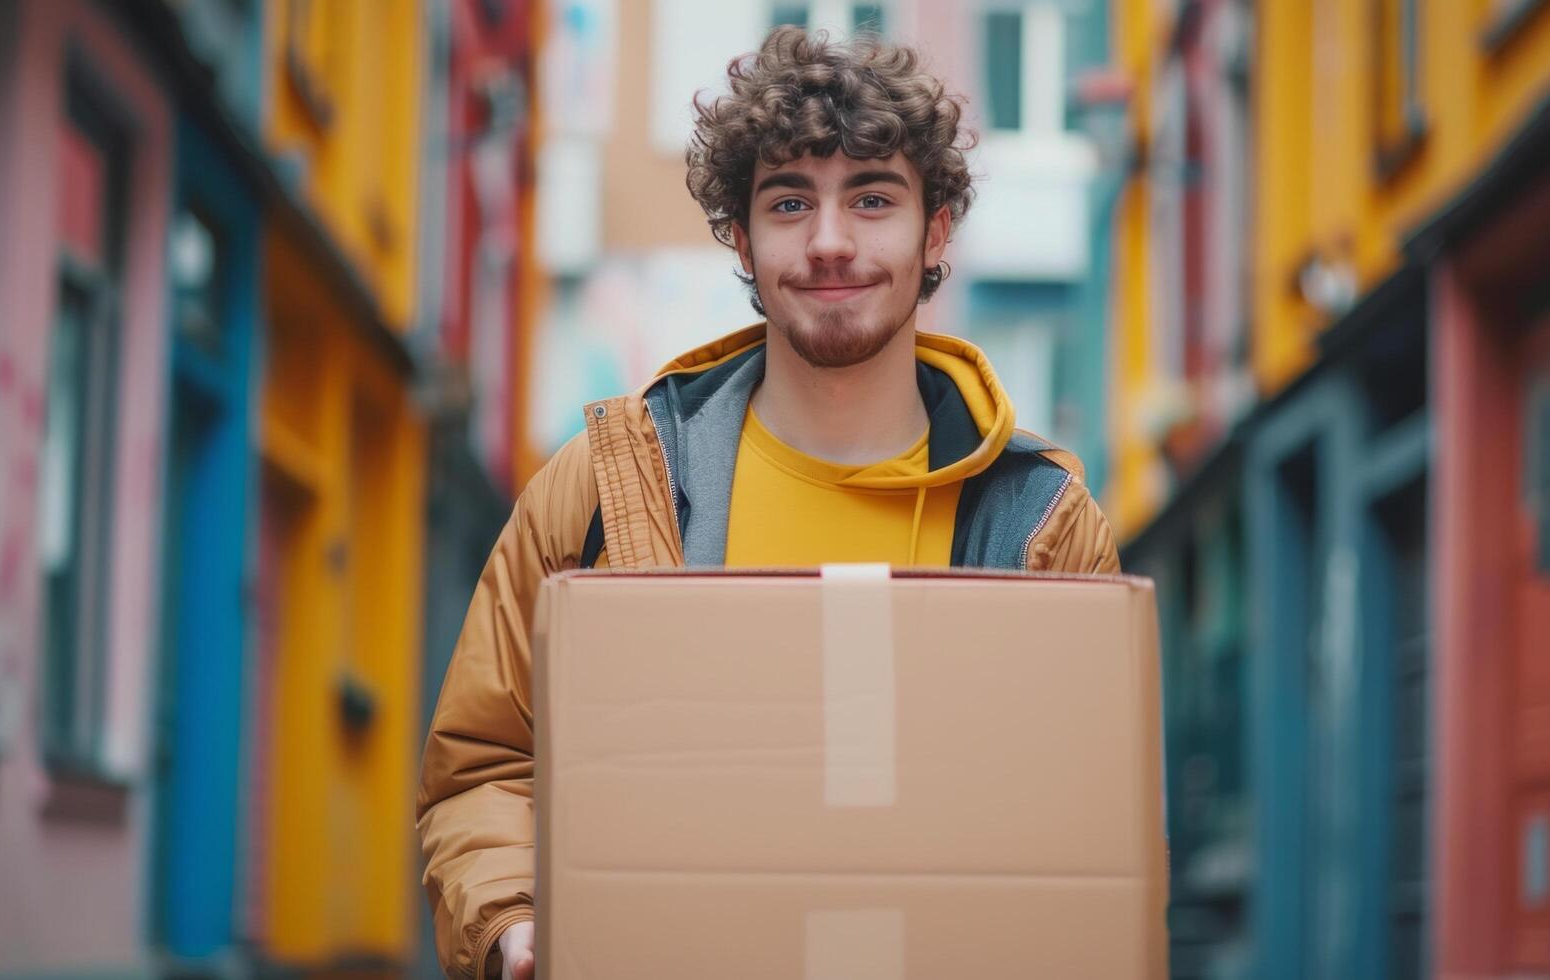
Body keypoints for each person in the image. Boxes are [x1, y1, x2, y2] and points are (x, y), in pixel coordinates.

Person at [417, 25, 1120, 979]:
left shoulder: (1041, 526)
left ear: (937, 229)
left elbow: (1089, 822)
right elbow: (484, 766)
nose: (829, 243)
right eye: (790, 202)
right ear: (741, 236)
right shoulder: (606, 485)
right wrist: (510, 920)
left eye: (872, 199)